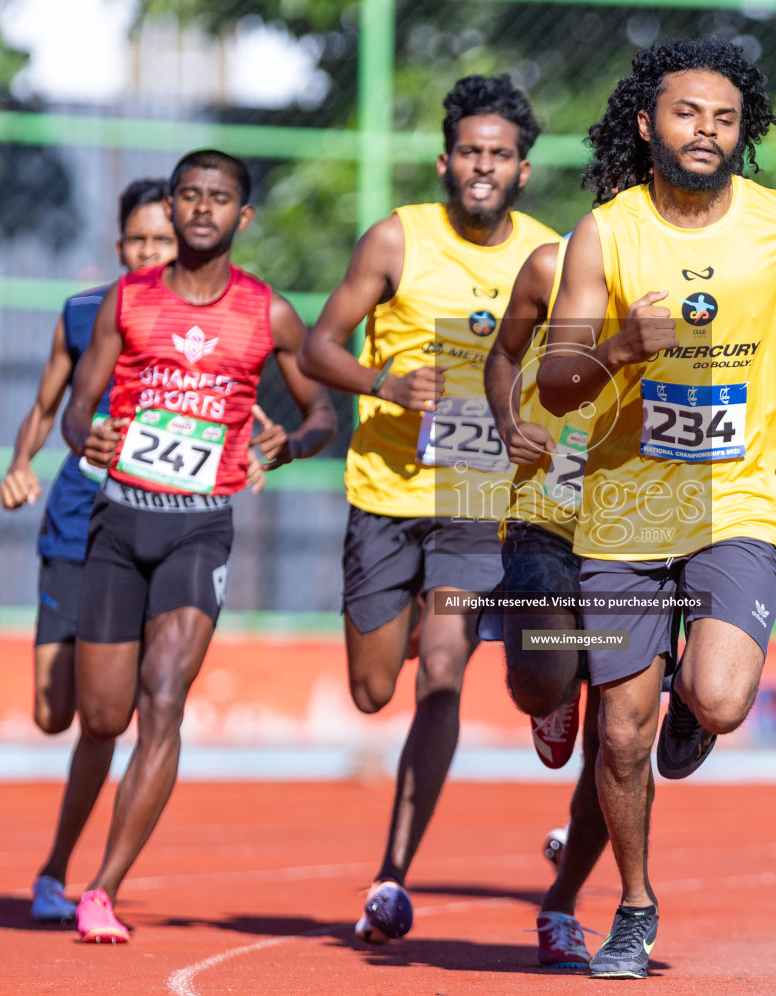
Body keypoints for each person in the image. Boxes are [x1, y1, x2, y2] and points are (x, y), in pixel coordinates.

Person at [537, 39, 776, 979]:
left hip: (743, 499)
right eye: (687, 114)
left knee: (717, 701)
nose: (705, 132)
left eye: (724, 118)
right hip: (625, 507)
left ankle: (694, 705)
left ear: (742, 131)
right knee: (618, 735)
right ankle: (635, 905)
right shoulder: (606, 234)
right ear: (648, 123)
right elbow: (558, 388)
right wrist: (616, 351)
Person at [296, 75, 559, 944]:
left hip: (478, 503)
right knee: (375, 692)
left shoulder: (551, 255)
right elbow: (315, 346)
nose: (484, 167)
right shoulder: (395, 240)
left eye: (502, 156)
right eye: (472, 153)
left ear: (523, 171)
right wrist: (385, 383)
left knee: (442, 675)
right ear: (447, 162)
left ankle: (391, 874)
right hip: (385, 494)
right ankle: (411, 621)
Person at [59, 149, 336, 943]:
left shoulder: (267, 312)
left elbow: (320, 415)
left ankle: (102, 890)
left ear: (242, 217)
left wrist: (287, 446)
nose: (203, 209)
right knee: (105, 713)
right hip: (118, 522)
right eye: (189, 196)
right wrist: (94, 438)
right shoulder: (129, 300)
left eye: (220, 198)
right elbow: (78, 410)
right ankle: (92, 866)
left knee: (165, 697)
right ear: (172, 210)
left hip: (200, 523)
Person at [0, 178, 175, 922]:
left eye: (162, 240)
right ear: (118, 245)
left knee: (107, 715)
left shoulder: (209, 318)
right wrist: (20, 462)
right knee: (51, 710)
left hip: (148, 524)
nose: (149, 252)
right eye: (138, 240)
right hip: (75, 519)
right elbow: (47, 402)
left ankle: (60, 871)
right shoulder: (82, 313)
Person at [483, 238, 611, 969]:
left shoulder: (713, 275)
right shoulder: (549, 265)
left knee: (617, 741)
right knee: (541, 677)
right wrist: (508, 422)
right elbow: (504, 354)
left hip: (643, 527)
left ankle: (561, 906)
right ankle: (554, 691)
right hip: (546, 511)